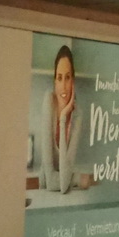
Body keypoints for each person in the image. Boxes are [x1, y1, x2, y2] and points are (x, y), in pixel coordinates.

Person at [39, 45, 83, 194]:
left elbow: (64, 185)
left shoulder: (78, 114)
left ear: (73, 82)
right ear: (54, 81)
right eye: (59, 78)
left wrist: (63, 118)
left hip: (62, 195)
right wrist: (75, 178)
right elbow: (52, 182)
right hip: (45, 191)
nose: (63, 86)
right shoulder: (48, 101)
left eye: (68, 77)